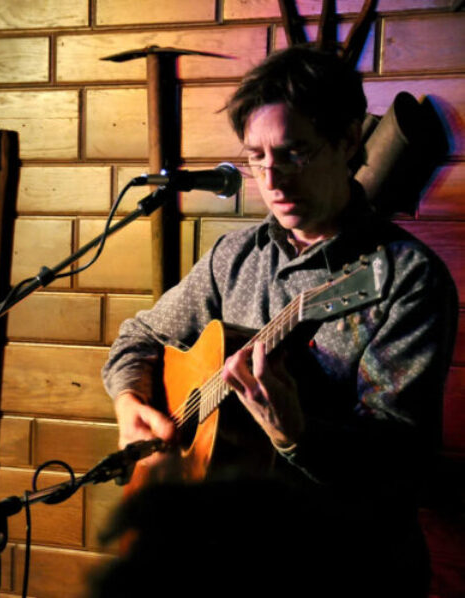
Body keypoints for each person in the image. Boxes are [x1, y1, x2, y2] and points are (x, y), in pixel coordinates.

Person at [101, 46, 458, 593]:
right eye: (256, 158)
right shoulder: (233, 257)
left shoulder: (404, 278)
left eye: (294, 154)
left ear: (346, 144)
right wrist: (130, 403)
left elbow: (402, 464)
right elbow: (140, 337)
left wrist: (298, 436)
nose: (273, 180)